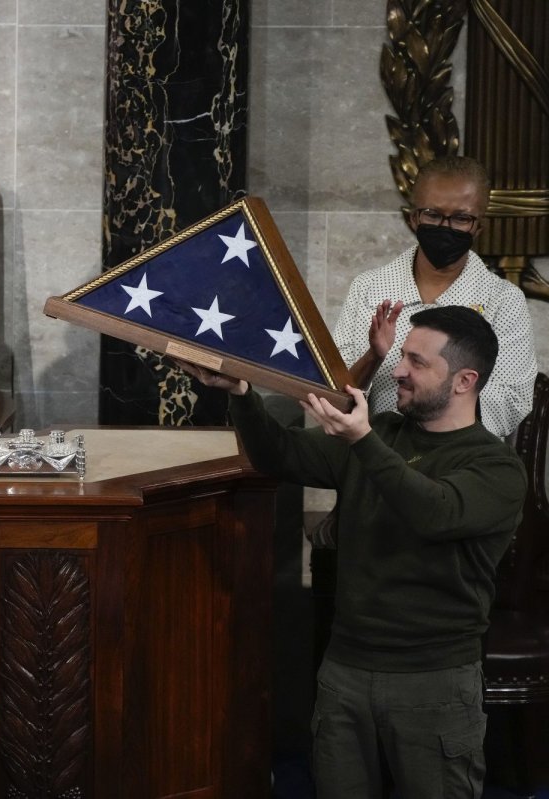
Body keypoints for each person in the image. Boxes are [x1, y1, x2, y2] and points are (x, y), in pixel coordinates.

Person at [183, 306, 526, 799]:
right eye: (403, 355)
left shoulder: (495, 466)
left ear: (464, 381)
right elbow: (277, 454)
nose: (399, 370)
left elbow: (435, 512)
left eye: (417, 362)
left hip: (434, 683)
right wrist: (241, 393)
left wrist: (362, 440)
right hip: (344, 670)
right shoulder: (383, 432)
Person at [333, 156, 536, 439]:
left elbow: (512, 403)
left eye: (461, 218)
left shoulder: (503, 300)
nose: (445, 226)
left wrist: (435, 389)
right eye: (432, 214)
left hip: (462, 463)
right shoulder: (369, 287)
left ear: (479, 226)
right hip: (376, 455)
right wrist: (374, 356)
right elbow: (334, 394)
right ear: (414, 217)